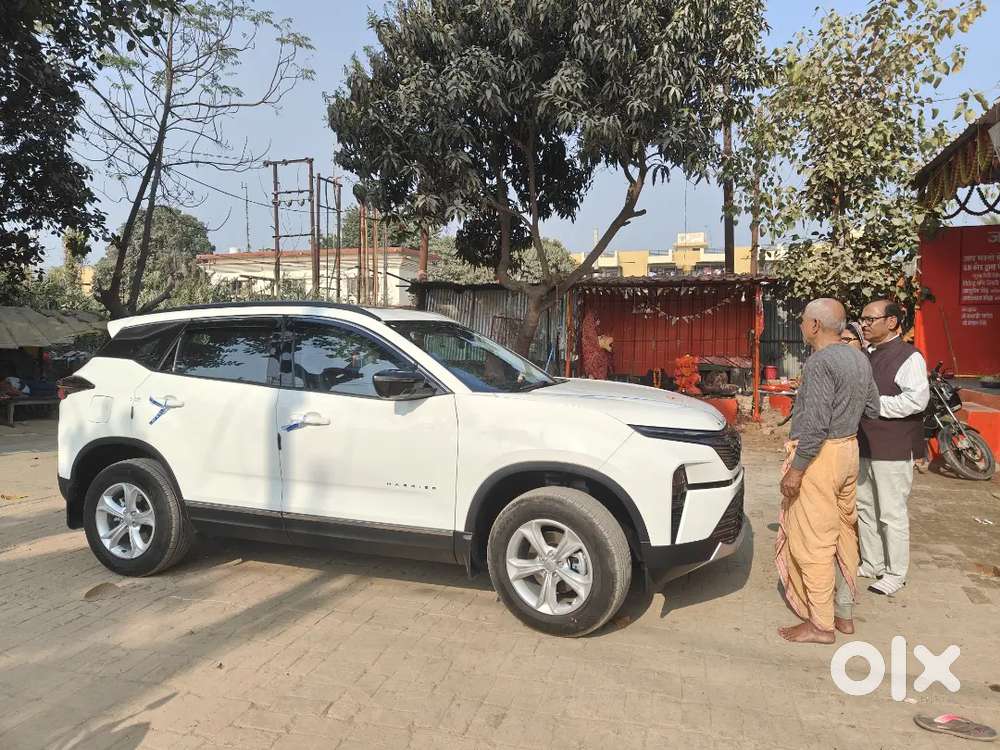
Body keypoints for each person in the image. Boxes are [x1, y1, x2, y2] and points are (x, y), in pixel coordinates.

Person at [775, 298, 880, 644]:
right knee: (844, 531)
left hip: (821, 456)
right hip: (849, 450)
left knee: (813, 542)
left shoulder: (821, 362)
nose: (802, 326)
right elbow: (874, 410)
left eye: (804, 320)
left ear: (816, 326)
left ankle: (821, 625)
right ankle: (844, 615)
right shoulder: (860, 357)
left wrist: (797, 469)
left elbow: (816, 425)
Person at [857, 300, 930, 596]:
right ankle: (871, 562)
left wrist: (875, 406)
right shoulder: (867, 354)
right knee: (865, 508)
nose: (863, 324)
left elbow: (916, 400)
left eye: (869, 319)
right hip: (865, 444)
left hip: (893, 447)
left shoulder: (909, 357)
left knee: (891, 513)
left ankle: (895, 573)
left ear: (892, 322)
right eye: (861, 318)